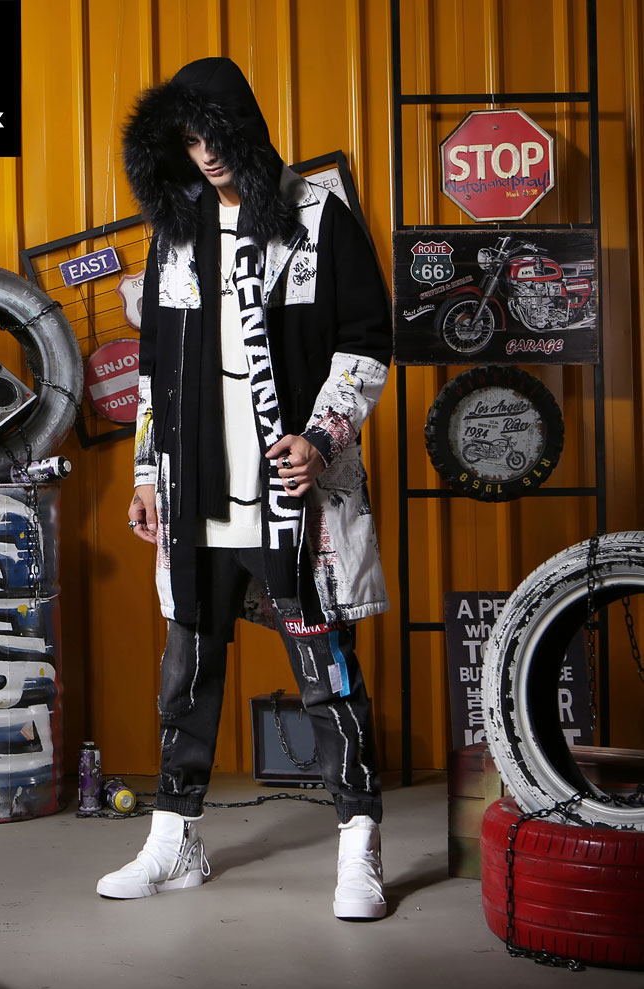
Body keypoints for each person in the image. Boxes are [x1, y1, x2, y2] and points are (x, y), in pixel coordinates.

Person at [97, 57, 393, 920]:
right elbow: (153, 367)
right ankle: (174, 840)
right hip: (198, 495)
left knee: (325, 671)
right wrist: (146, 473)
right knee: (186, 675)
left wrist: (322, 437)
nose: (207, 153)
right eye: (189, 139)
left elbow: (368, 340)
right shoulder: (175, 229)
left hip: (292, 499)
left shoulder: (318, 216)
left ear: (248, 130)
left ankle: (360, 845)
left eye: (218, 134)